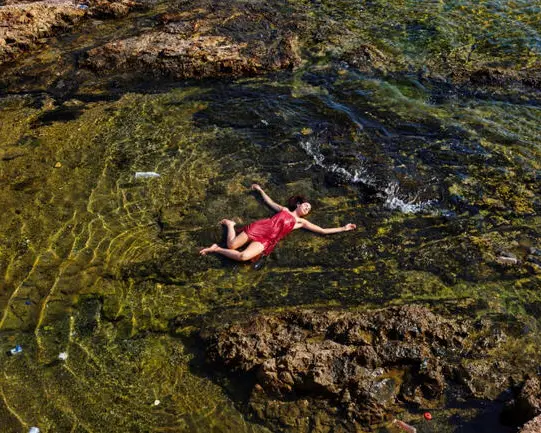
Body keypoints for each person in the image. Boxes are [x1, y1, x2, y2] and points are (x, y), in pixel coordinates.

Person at [199, 184, 357, 261]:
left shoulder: (300, 223)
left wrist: (344, 228)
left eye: (309, 209)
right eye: (306, 205)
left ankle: (216, 249)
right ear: (298, 204)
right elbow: (270, 203)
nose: (307, 208)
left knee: (243, 256)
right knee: (232, 245)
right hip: (260, 228)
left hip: (267, 240)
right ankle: (230, 225)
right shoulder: (285, 210)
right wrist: (260, 191)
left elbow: (322, 230)